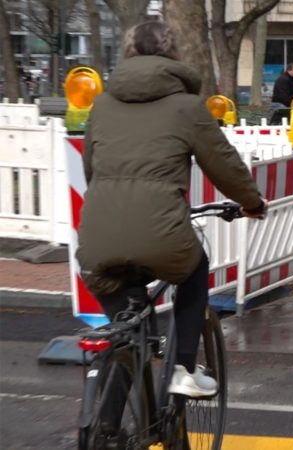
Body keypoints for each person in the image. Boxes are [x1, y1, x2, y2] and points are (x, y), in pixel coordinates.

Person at [77, 21, 267, 398]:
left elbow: (90, 170)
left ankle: (107, 431)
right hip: (162, 233)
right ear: (173, 55)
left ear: (128, 54)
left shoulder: (101, 104)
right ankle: (182, 367)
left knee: (127, 336)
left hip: (97, 239)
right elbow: (224, 164)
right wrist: (251, 203)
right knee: (195, 268)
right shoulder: (186, 106)